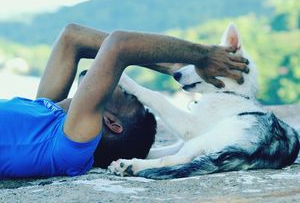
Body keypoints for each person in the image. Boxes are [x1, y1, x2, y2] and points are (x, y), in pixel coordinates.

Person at [0, 23, 249, 179]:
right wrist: (175, 67)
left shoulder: (70, 144)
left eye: (130, 96)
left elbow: (119, 46)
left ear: (111, 123)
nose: (118, 82)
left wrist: (203, 55)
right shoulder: (48, 113)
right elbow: (72, 37)